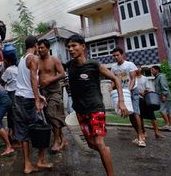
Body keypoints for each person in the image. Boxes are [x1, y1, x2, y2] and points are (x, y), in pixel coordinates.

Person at [66, 34, 128, 176]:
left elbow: (116, 80)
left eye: (74, 46)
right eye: (68, 46)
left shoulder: (94, 65)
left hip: (95, 109)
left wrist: (121, 101)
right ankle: (105, 151)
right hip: (80, 111)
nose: (70, 49)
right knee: (91, 144)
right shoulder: (69, 66)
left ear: (83, 47)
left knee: (99, 143)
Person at [12, 36, 51, 174]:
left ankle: (27, 165)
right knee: (42, 128)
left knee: (23, 132)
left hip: (18, 98)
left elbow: (25, 81)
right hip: (28, 99)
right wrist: (36, 98)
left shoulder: (22, 59)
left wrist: (37, 94)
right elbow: (33, 78)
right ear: (35, 45)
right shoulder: (33, 58)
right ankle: (40, 160)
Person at [37, 39, 68, 152]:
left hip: (55, 91)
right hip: (43, 93)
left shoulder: (54, 60)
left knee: (52, 114)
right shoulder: (37, 61)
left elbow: (62, 74)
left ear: (48, 48)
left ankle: (56, 142)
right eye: (38, 48)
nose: (40, 50)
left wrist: (50, 80)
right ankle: (62, 138)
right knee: (49, 119)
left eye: (42, 48)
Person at [111, 47, 145, 147]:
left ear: (122, 55)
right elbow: (114, 80)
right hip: (122, 92)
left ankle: (140, 136)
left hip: (132, 91)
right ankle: (140, 134)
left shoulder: (129, 64)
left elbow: (133, 78)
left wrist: (129, 90)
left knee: (135, 112)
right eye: (114, 56)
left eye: (117, 55)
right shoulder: (113, 67)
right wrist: (111, 87)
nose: (116, 57)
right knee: (129, 113)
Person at [136, 65, 163, 139]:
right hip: (138, 99)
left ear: (140, 68)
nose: (137, 69)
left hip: (146, 99)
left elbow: (148, 88)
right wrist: (139, 93)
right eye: (135, 67)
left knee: (152, 116)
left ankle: (156, 132)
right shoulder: (133, 79)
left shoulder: (145, 78)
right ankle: (144, 132)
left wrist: (145, 92)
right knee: (140, 117)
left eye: (138, 67)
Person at [1, 53, 18, 141]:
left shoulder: (8, 70)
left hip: (11, 93)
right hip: (16, 93)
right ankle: (13, 133)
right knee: (14, 113)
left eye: (5, 60)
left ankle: (13, 134)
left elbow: (2, 80)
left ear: (8, 61)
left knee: (11, 114)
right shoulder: (16, 69)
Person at [151, 65, 171, 130]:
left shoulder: (161, 76)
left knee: (162, 110)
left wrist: (164, 95)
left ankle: (167, 124)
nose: (151, 71)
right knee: (169, 111)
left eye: (152, 70)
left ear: (157, 70)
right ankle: (170, 126)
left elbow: (164, 86)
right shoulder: (157, 77)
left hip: (164, 96)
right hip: (165, 96)